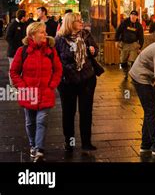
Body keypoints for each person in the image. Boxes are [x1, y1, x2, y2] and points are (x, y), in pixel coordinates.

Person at [10, 22, 63, 162]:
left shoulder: (51, 51)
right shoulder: (22, 51)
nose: (44, 34)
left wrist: (51, 85)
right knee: (30, 122)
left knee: (42, 121)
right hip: (29, 93)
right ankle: (32, 145)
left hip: (45, 92)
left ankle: (39, 149)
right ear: (32, 35)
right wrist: (22, 87)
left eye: (44, 31)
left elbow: (58, 70)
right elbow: (14, 72)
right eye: (41, 32)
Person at [55, 13, 99, 152]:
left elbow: (95, 50)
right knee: (69, 112)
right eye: (78, 21)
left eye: (81, 20)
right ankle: (70, 142)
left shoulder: (86, 35)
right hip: (67, 81)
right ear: (69, 23)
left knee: (86, 111)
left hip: (87, 78)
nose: (81, 22)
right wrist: (66, 71)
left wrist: (93, 51)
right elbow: (55, 61)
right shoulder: (59, 39)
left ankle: (86, 142)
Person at [115, 10, 144, 79]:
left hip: (133, 45)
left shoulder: (138, 26)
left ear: (137, 17)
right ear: (130, 16)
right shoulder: (125, 22)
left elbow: (141, 37)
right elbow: (118, 31)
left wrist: (140, 48)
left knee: (133, 61)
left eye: (134, 15)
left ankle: (133, 74)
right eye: (132, 15)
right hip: (124, 44)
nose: (133, 16)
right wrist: (116, 41)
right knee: (122, 61)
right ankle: (125, 72)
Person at [6, 9, 28, 87]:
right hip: (13, 52)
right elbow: (8, 38)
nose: (27, 18)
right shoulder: (12, 25)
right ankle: (13, 86)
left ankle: (19, 85)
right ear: (22, 17)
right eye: (26, 16)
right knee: (13, 70)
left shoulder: (23, 24)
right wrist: (17, 47)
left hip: (22, 52)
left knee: (21, 69)